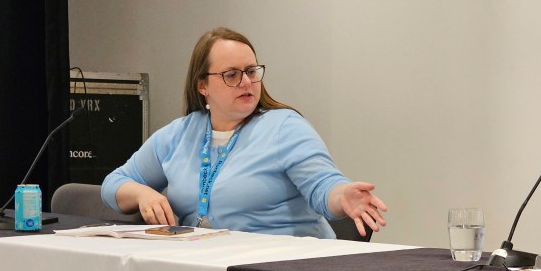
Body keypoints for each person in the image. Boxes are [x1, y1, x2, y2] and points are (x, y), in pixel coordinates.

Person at [102, 27, 387, 238]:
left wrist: (342, 196)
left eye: (251, 71)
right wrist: (142, 195)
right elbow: (113, 183)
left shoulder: (284, 128)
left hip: (282, 269)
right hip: (206, 266)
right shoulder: (180, 134)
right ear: (202, 85)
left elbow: (323, 185)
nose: (246, 82)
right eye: (232, 75)